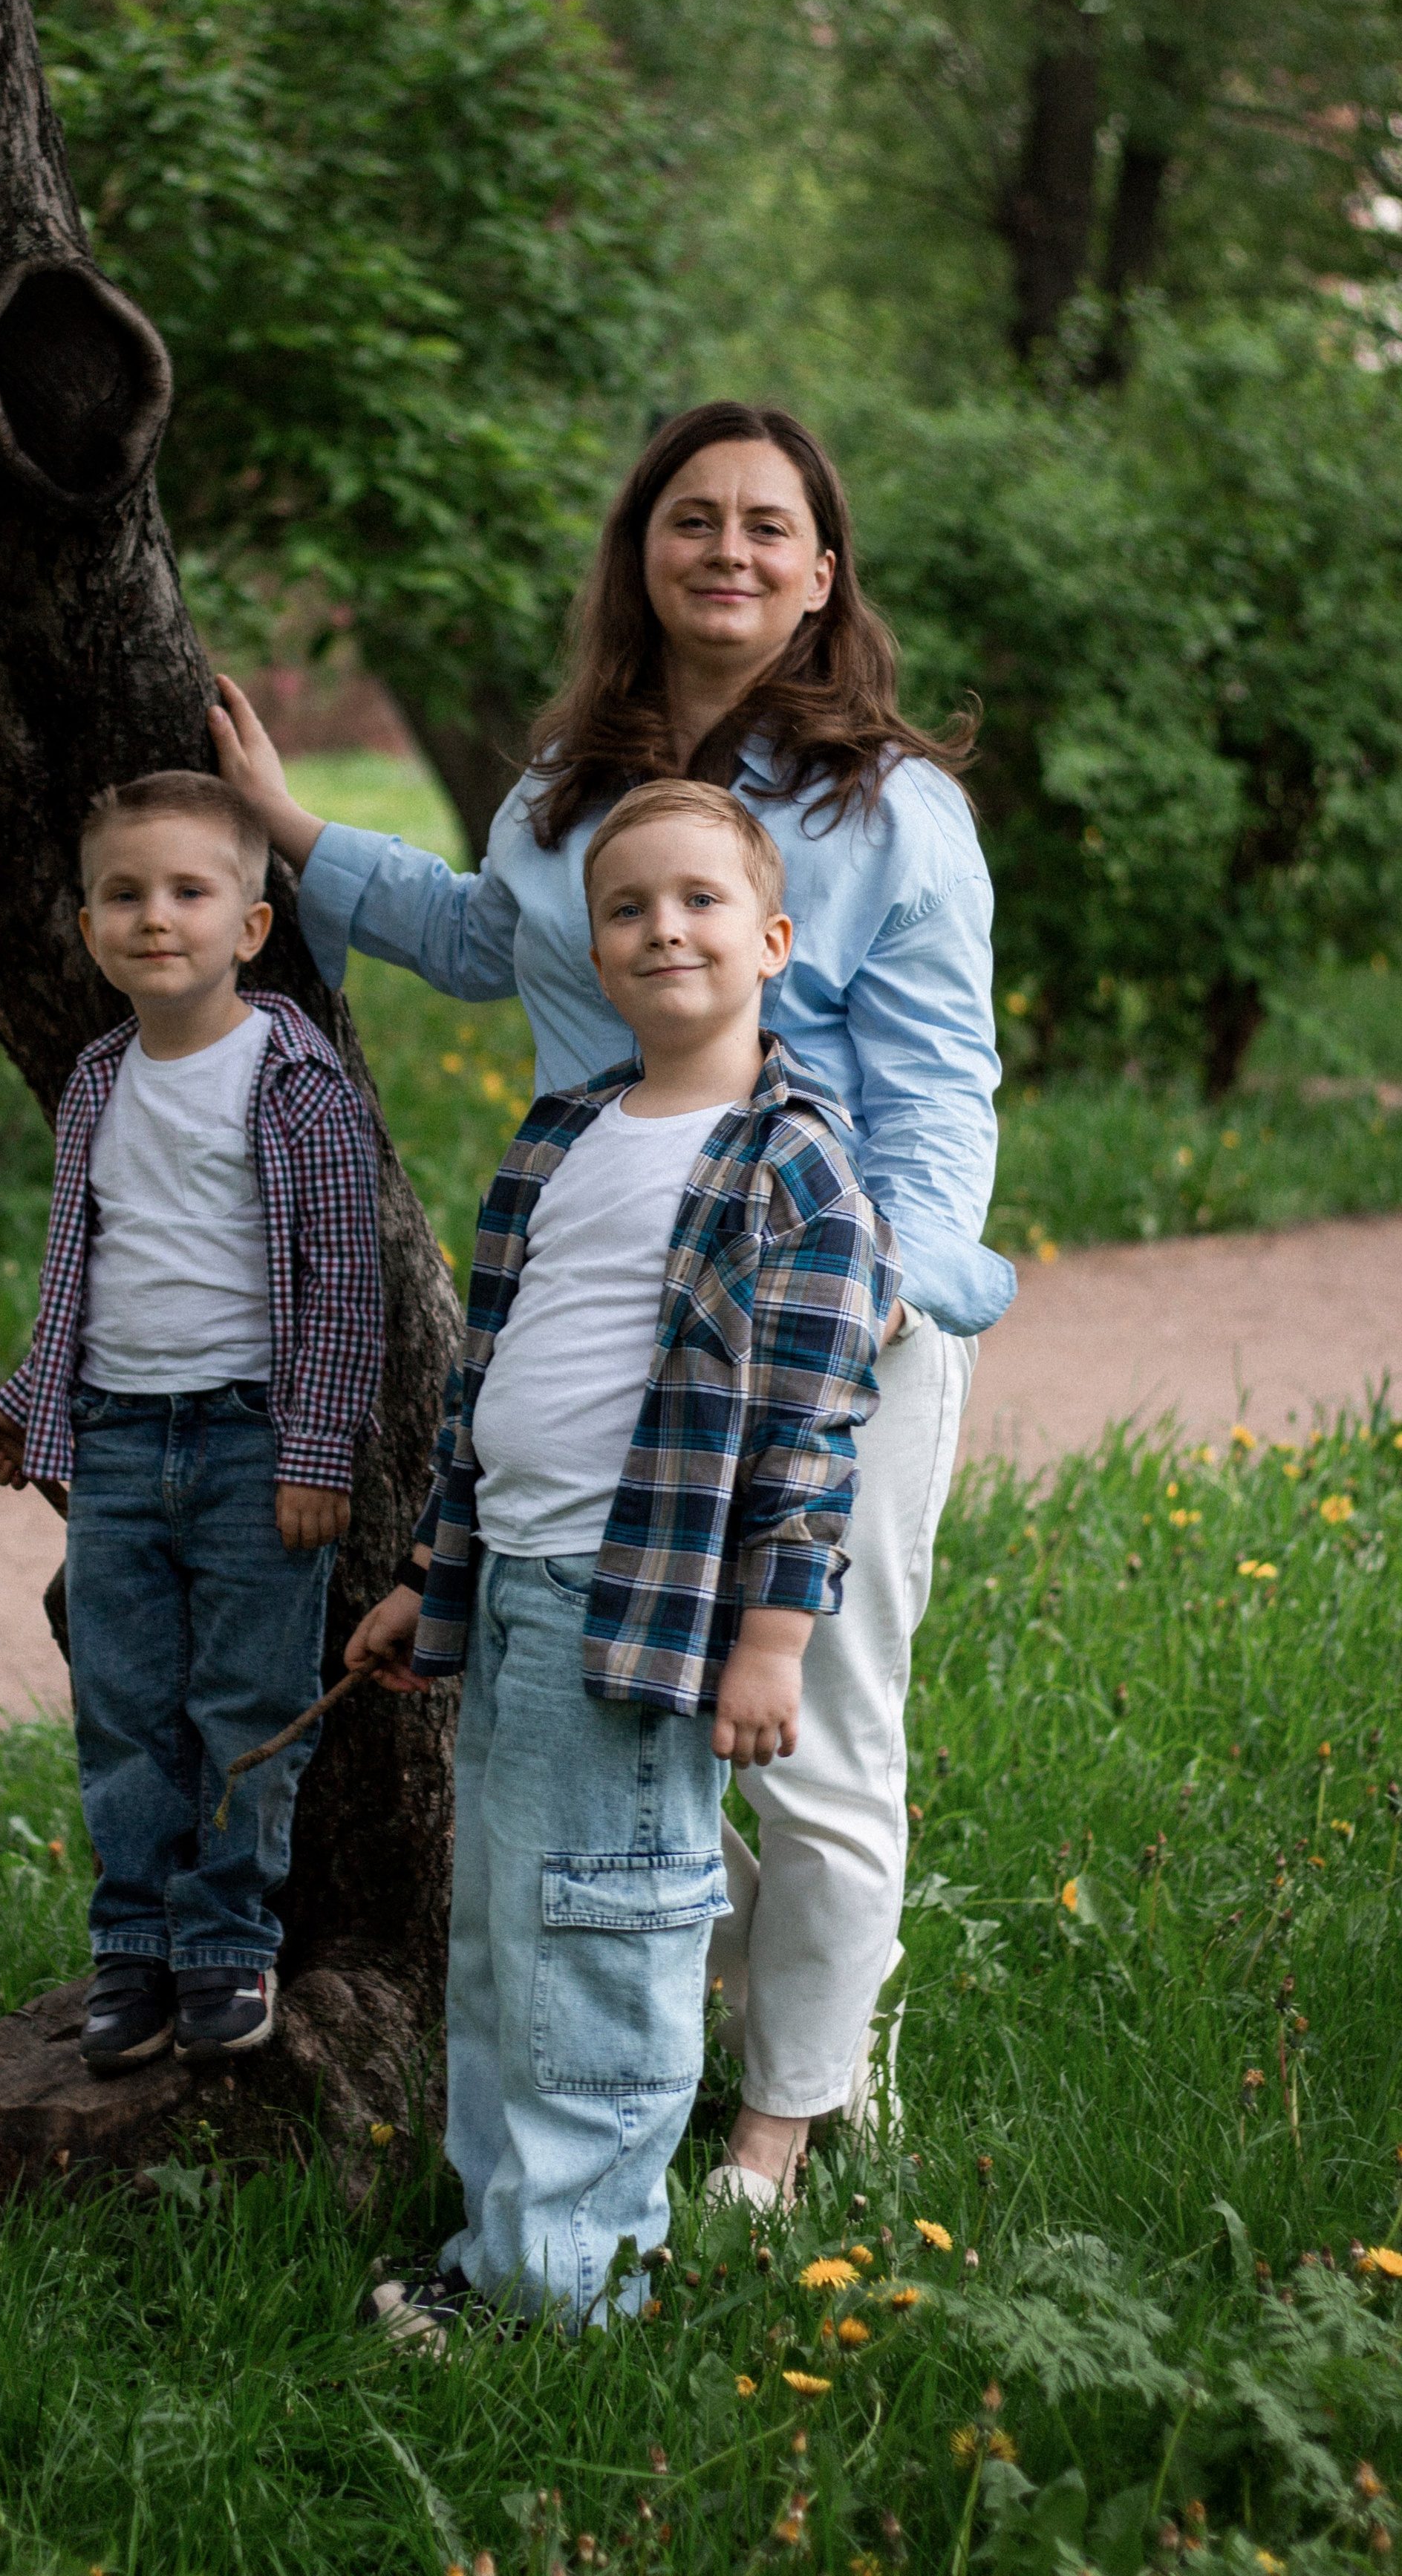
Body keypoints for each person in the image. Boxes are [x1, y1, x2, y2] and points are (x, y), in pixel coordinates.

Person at [210, 400, 1014, 2200]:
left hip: (820, 1323)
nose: (723, 549)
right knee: (632, 1709)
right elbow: (483, 943)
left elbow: (937, 1087)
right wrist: (284, 826)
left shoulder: (897, 810)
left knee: (801, 1722)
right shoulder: (559, 792)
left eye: (763, 527)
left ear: (818, 579)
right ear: (638, 557)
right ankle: (662, 2051)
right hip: (592, 1325)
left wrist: (883, 1285)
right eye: (688, 521)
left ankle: (790, 2121)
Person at [343, 780, 895, 2334]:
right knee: (504, 1939)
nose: (662, 928)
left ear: (773, 939)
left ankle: (574, 2291)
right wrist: (425, 1574)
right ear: (588, 949)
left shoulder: (793, 1169)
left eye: (699, 903)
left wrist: (773, 1640)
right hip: (513, 1592)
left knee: (600, 1935)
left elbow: (807, 1434)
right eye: (627, 907)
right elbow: (489, 1387)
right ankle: (498, 2248)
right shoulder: (564, 1136)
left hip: (638, 1616)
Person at [0, 772, 383, 2073]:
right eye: (125, 894)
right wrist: (30, 1406)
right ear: (89, 927)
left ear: (250, 927)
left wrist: (316, 1452)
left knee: (244, 1696)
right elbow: (79, 1262)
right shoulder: (99, 1080)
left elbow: (345, 1281)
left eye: (191, 891)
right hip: (120, 1442)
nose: (157, 917)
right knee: (127, 1701)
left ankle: (223, 1941)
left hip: (257, 1442)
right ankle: (132, 1943)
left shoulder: (294, 1077)